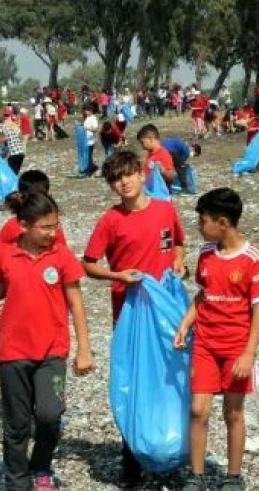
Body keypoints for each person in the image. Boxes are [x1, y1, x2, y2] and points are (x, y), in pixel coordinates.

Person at [0, 191, 93, 491]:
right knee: (17, 424)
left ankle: (41, 466)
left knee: (50, 416)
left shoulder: (62, 255)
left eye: (56, 226)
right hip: (13, 352)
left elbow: (76, 303)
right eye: (46, 227)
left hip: (53, 351)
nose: (53, 233)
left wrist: (84, 349)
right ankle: (17, 480)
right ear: (24, 225)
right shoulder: (5, 253)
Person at [82, 150, 186, 486]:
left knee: (172, 379)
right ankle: (133, 462)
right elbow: (88, 263)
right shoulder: (110, 220)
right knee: (134, 384)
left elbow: (180, 244)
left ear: (143, 175)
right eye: (115, 178)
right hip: (129, 315)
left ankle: (172, 451)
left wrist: (179, 263)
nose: (123, 183)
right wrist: (118, 276)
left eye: (128, 175)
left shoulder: (165, 209)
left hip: (167, 313)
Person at [174, 188, 259, 491]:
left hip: (235, 347)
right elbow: (204, 294)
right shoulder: (206, 253)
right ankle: (197, 475)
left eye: (203, 222)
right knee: (198, 409)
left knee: (233, 412)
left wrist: (249, 354)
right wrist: (185, 325)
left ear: (223, 223)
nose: (199, 228)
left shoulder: (253, 259)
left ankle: (233, 476)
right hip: (204, 343)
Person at [0, 170, 68, 319]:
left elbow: (65, 263)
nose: (50, 232)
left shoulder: (53, 229)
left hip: (49, 296)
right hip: (19, 298)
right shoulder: (11, 227)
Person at [0, 110, 27, 175]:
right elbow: (11, 141)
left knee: (11, 173)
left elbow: (6, 138)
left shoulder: (1, 127)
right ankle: (15, 183)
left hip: (15, 154)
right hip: (21, 153)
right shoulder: (7, 127)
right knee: (14, 173)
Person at [81, 104, 100, 177]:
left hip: (90, 141)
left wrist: (87, 129)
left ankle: (89, 171)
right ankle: (93, 168)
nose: (85, 112)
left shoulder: (93, 118)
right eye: (85, 111)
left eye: (86, 111)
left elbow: (96, 129)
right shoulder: (87, 118)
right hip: (85, 140)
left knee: (88, 156)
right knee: (87, 156)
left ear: (90, 111)